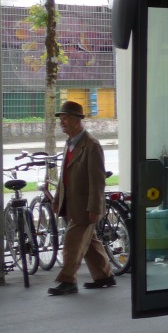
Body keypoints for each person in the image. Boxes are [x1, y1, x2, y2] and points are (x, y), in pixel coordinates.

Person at [48, 101, 113, 295]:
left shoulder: (91, 145)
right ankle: (104, 276)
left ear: (78, 120)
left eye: (66, 117)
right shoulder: (70, 143)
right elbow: (64, 176)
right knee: (90, 242)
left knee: (72, 242)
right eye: (61, 118)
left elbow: (97, 180)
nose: (62, 122)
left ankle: (68, 280)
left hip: (85, 206)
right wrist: (57, 199)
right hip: (73, 204)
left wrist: (95, 207)